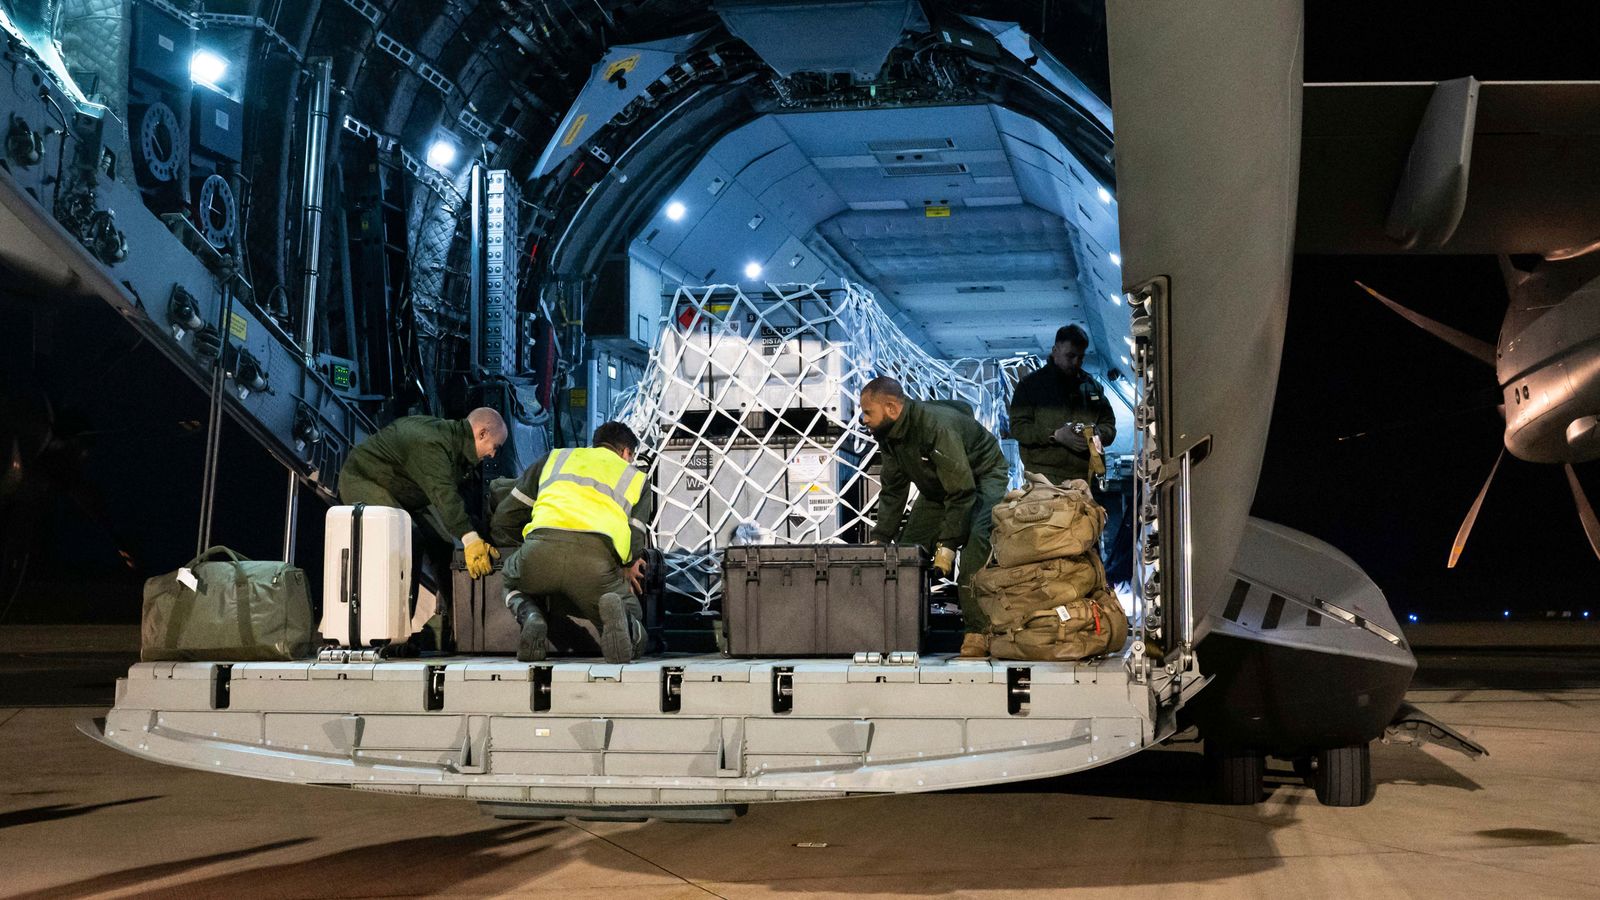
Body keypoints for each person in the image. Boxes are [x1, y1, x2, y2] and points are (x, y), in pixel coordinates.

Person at [860, 376, 1009, 658]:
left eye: (868, 412)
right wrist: (880, 538)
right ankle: (901, 631)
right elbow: (893, 491)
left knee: (976, 546)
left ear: (891, 408)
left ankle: (978, 631)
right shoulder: (889, 436)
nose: (864, 419)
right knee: (907, 552)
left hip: (981, 479)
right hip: (941, 487)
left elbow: (962, 491)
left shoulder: (934, 427)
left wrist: (948, 544)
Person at [501, 421, 652, 664]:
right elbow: (635, 539)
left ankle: (531, 616)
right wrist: (627, 564)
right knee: (632, 612)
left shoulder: (555, 458)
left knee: (510, 581)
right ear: (626, 452)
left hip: (538, 551)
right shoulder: (637, 478)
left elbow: (506, 515)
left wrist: (521, 548)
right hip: (595, 563)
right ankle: (624, 624)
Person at [338, 407, 508, 578]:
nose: (493, 455)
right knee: (406, 539)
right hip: (363, 478)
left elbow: (457, 503)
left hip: (405, 491)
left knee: (442, 545)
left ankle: (451, 604)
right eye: (496, 447)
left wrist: (481, 536)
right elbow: (443, 494)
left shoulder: (456, 450)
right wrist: (470, 538)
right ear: (482, 434)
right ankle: (399, 604)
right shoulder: (432, 442)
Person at [1007, 325, 1118, 485]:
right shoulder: (1031, 386)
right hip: (1044, 479)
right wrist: (1055, 435)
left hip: (1085, 478)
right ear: (1055, 351)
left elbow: (1109, 425)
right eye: (1070, 356)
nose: (1076, 363)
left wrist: (1097, 435)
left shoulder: (1091, 387)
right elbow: (1018, 428)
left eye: (1080, 358)